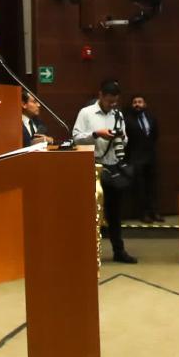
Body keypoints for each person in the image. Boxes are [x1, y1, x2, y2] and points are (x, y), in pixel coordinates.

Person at [72, 80, 136, 264]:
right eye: (109, 101)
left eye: (115, 101)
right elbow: (76, 138)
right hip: (92, 166)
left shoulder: (118, 114)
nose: (112, 105)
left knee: (115, 213)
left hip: (113, 167)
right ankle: (88, 252)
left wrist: (122, 137)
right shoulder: (86, 113)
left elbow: (123, 142)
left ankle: (119, 250)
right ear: (100, 95)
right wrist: (96, 134)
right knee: (92, 212)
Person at [125, 93, 160, 221]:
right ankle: (143, 213)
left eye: (140, 102)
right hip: (136, 158)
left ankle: (154, 211)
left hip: (151, 157)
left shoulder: (151, 118)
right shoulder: (128, 120)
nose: (137, 105)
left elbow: (155, 135)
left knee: (152, 186)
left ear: (145, 104)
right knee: (140, 187)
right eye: (135, 102)